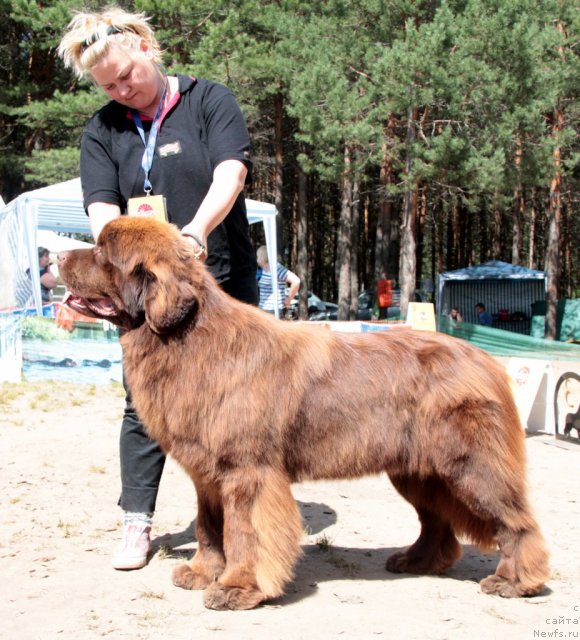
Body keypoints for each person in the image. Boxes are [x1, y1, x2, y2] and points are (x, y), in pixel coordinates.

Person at [58, 7, 258, 571]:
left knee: (237, 408)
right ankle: (136, 523)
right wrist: (117, 261)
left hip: (221, 279)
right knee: (143, 403)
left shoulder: (208, 100)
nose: (122, 89)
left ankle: (241, 529)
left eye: (126, 75)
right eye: (108, 85)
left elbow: (231, 174)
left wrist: (193, 233)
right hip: (146, 293)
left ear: (147, 47)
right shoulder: (102, 129)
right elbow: (101, 207)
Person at [256, 245, 300, 316]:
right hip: (263, 309)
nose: (257, 259)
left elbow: (296, 281)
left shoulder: (276, 268)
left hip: (274, 310)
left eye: (258, 256)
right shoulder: (263, 269)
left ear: (262, 256)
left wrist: (289, 299)